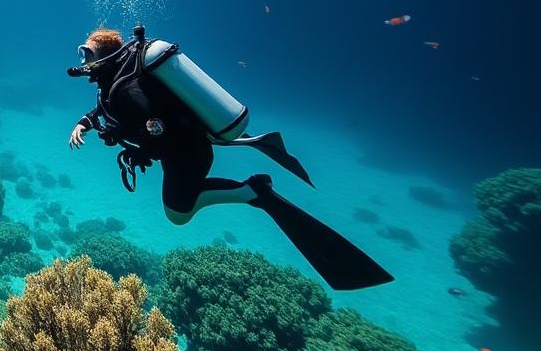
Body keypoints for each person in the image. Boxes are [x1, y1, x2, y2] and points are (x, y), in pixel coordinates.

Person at [67, 25, 392, 291]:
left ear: (106, 57)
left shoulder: (126, 90)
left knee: (178, 213)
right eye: (82, 52)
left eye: (87, 53)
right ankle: (252, 191)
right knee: (179, 210)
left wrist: (136, 146)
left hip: (187, 155)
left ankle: (254, 192)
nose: (82, 59)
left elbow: (159, 131)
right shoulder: (116, 82)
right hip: (185, 152)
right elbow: (104, 107)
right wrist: (85, 123)